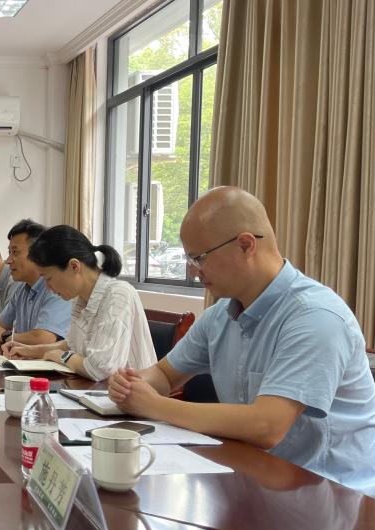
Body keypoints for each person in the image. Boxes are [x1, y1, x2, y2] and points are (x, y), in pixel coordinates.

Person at [107, 186, 375, 496]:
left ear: (246, 245)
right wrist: (132, 385)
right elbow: (165, 375)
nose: (192, 271)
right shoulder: (220, 316)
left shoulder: (315, 317)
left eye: (198, 257)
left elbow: (267, 426)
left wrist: (155, 405)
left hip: (334, 494)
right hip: (255, 477)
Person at [2, 225, 155, 381]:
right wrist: (29, 350)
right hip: (95, 389)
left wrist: (61, 356)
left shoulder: (118, 295)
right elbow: (71, 345)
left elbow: (99, 368)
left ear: (74, 266)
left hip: (132, 391)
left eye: (48, 278)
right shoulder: (79, 298)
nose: (47, 287)